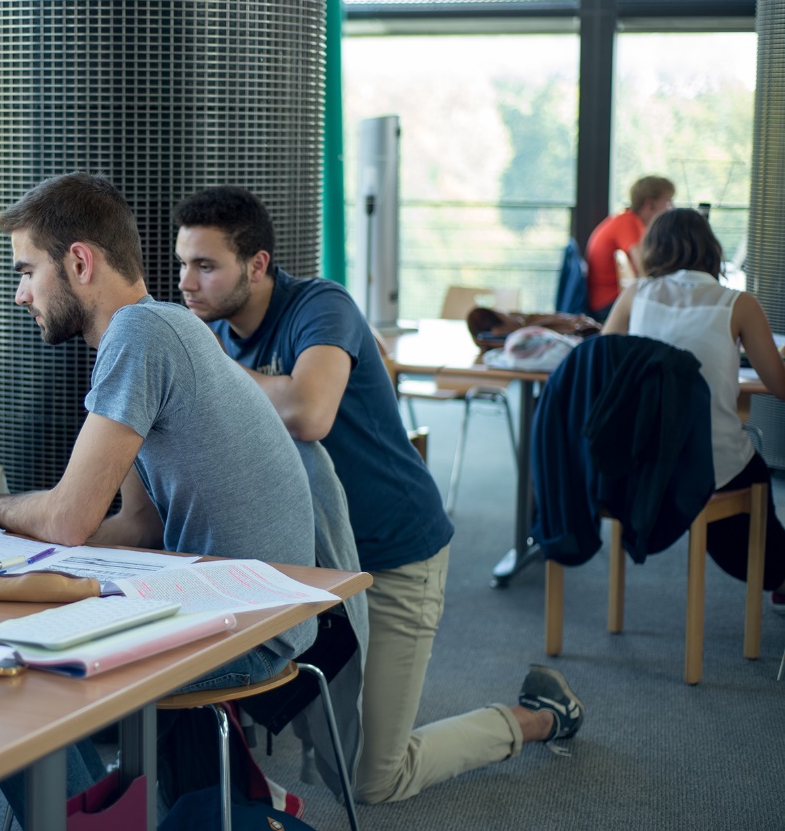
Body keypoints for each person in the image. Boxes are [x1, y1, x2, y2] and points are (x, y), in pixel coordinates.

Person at [0, 171, 357, 818]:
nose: (19, 294)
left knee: (9, 678)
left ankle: (86, 817)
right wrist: (9, 543)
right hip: (253, 605)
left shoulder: (140, 335)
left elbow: (71, 518)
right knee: (24, 633)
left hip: (246, 625)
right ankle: (137, 804)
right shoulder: (156, 331)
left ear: (78, 261)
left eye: (26, 272)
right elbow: (137, 526)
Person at [172, 184, 585, 805]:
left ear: (257, 265)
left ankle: (538, 716)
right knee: (324, 753)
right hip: (319, 572)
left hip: (397, 556)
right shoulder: (225, 337)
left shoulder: (319, 306)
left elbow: (309, 413)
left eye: (205, 265)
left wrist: (205, 362)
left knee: (373, 779)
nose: (186, 282)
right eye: (182, 263)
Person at [602, 207, 785, 611]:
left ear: (653, 250)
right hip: (703, 467)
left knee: (720, 456)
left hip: (640, 460)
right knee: (751, 466)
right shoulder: (739, 304)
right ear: (711, 249)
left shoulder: (634, 295)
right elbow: (779, 385)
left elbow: (600, 364)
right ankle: (777, 574)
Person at [585, 175, 676, 321]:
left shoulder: (630, 221)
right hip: (608, 303)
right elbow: (645, 268)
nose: (671, 208)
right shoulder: (628, 223)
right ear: (650, 204)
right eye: (667, 201)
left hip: (612, 298)